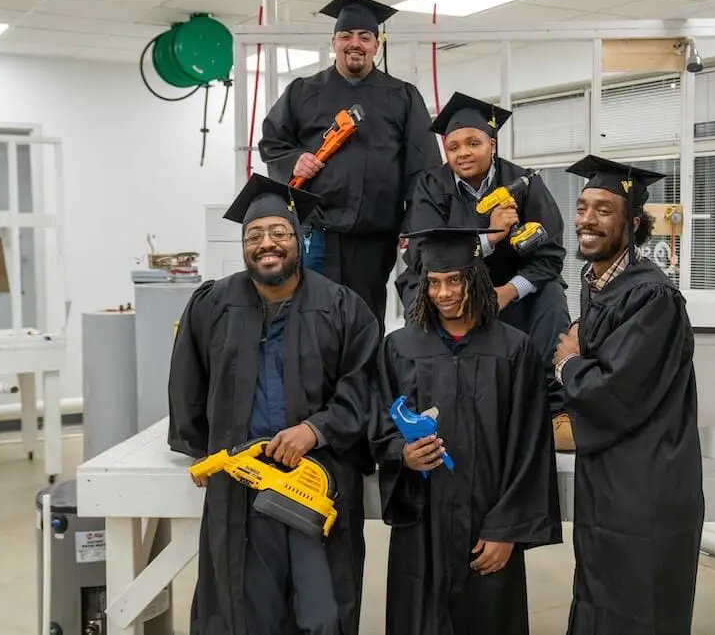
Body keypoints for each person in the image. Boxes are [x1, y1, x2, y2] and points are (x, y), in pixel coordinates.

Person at [166, 173, 381, 635]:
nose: (267, 244)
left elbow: (363, 385)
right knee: (247, 610)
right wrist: (201, 446)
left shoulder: (343, 307)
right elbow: (186, 381)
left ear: (298, 238)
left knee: (322, 612)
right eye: (255, 235)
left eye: (279, 233)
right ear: (244, 244)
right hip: (241, 483)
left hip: (315, 482)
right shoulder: (212, 304)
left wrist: (316, 429)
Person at [371, 225, 563, 635]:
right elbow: (378, 424)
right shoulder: (400, 348)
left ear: (474, 279)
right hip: (422, 526)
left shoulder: (514, 349)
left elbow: (531, 446)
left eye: (454, 281)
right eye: (434, 282)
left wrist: (507, 530)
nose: (444, 293)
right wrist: (399, 454)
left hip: (487, 526)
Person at [552, 154, 705, 635]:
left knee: (640, 606)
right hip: (612, 478)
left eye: (603, 210)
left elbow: (617, 390)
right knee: (600, 593)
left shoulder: (651, 297)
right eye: (582, 208)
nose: (587, 220)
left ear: (633, 223)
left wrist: (568, 363)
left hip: (647, 484)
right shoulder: (598, 284)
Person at [394, 91, 575, 451]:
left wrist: (508, 291)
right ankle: (428, 408)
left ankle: (555, 411)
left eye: (473, 143)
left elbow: (550, 253)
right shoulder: (431, 186)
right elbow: (422, 253)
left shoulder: (525, 184)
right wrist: (489, 237)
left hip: (507, 287)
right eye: (454, 146)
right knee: (419, 296)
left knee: (551, 297)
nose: (463, 153)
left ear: (491, 144)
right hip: (446, 282)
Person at [258, 0, 439, 334]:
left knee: (364, 320)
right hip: (317, 231)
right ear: (334, 41)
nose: (354, 43)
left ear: (377, 44)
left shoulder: (402, 96)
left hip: (374, 235)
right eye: (346, 35)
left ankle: (362, 387)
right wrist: (294, 160)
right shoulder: (302, 91)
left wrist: (414, 223)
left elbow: (423, 167)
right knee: (311, 316)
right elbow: (272, 142)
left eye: (364, 36)